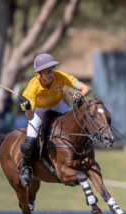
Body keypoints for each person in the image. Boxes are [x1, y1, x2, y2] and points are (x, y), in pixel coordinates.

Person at [18, 53, 92, 187]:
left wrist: (80, 96)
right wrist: (28, 108)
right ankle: (26, 168)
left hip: (58, 105)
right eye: (47, 71)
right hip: (39, 110)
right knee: (30, 141)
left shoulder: (60, 77)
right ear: (40, 73)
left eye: (52, 69)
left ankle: (84, 156)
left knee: (77, 123)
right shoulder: (32, 88)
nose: (51, 73)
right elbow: (29, 117)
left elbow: (87, 88)